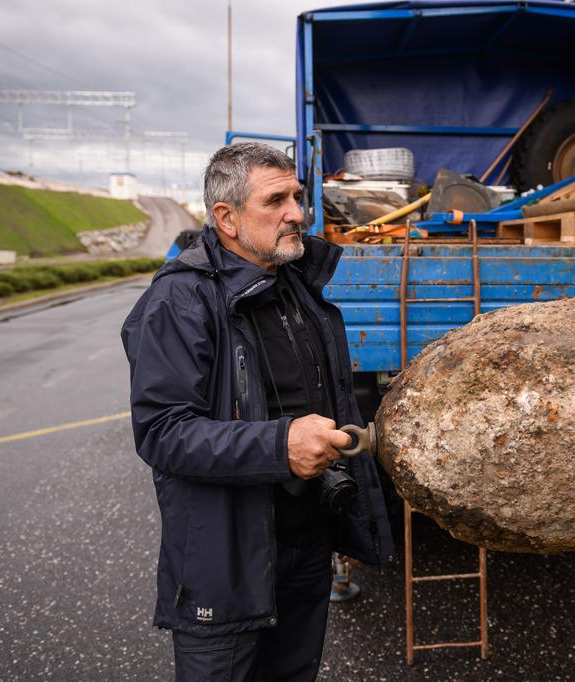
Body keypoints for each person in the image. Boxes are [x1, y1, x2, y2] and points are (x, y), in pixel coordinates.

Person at [121, 142, 394, 681]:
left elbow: (330, 403)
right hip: (226, 563)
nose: (298, 212)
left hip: (306, 549)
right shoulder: (180, 302)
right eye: (277, 200)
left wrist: (352, 518)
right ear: (226, 217)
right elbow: (162, 432)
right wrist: (280, 446)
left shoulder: (297, 283)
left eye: (297, 195)